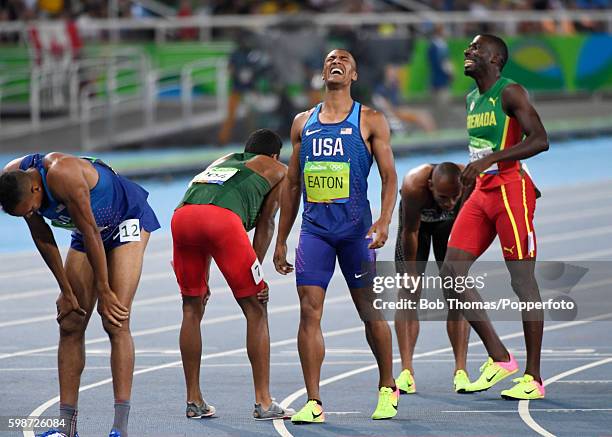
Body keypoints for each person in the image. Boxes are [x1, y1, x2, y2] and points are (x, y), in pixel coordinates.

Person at [273, 49, 399, 423]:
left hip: (355, 233)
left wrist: (384, 221)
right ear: (322, 72)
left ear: (354, 75)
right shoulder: (302, 123)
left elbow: (390, 176)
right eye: (329, 59)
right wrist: (281, 238)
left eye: (343, 59)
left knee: (369, 310)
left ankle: (387, 385)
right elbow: (292, 183)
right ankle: (313, 401)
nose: (335, 62)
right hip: (315, 232)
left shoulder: (370, 119)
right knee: (309, 313)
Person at [0, 153, 161, 437]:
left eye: (30, 208)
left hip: (125, 220)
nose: (30, 214)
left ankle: (119, 428)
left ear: (37, 188)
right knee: (71, 322)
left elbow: (91, 233)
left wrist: (105, 290)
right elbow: (43, 236)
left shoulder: (64, 174)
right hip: (89, 229)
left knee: (115, 319)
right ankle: (66, 428)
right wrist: (65, 290)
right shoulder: (14, 178)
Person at [440, 34, 549, 400]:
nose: (467, 52)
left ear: (496, 58)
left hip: (509, 191)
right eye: (467, 47)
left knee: (523, 282)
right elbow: (480, 150)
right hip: (482, 193)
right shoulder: (472, 99)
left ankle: (533, 378)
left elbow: (539, 139)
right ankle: (500, 357)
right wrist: (472, 181)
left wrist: (491, 160)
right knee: (451, 273)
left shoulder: (510, 91)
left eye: (475, 48)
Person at [171, 128, 295, 420]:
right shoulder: (279, 170)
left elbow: (204, 206)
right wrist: (257, 271)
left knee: (191, 308)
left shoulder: (223, 160)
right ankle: (264, 402)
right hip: (221, 221)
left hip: (182, 217)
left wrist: (204, 277)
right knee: (256, 307)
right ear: (275, 155)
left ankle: (193, 400)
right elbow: (266, 222)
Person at [394, 162, 471, 394]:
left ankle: (461, 371)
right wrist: (410, 272)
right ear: (430, 186)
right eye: (442, 197)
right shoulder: (413, 185)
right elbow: (410, 232)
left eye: (453, 198)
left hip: (449, 228)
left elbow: (469, 227)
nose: (449, 203)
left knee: (456, 293)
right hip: (416, 228)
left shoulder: (469, 181)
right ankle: (406, 371)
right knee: (408, 294)